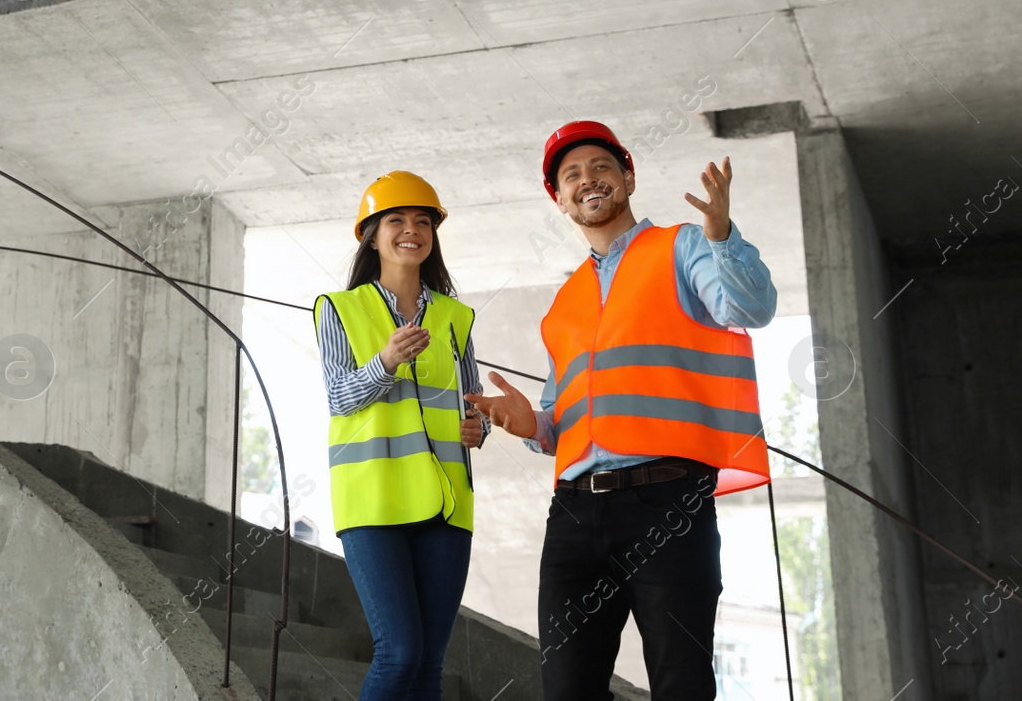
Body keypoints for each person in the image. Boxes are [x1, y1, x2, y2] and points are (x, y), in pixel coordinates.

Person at [467, 122, 777, 699]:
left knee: (680, 683)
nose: (589, 180)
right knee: (566, 691)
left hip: (668, 505)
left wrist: (722, 235)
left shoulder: (684, 245)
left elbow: (748, 305)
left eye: (601, 168)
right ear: (560, 200)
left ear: (628, 178)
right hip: (576, 518)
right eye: (573, 176)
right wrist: (525, 421)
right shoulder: (564, 304)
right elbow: (558, 425)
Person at [316, 170, 489, 701]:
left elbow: (473, 400)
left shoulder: (455, 318)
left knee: (429, 664)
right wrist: (386, 361)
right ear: (371, 235)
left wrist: (478, 427)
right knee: (400, 652)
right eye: (396, 220)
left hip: (446, 504)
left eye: (423, 221)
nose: (411, 230)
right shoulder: (339, 309)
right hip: (374, 504)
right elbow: (341, 399)